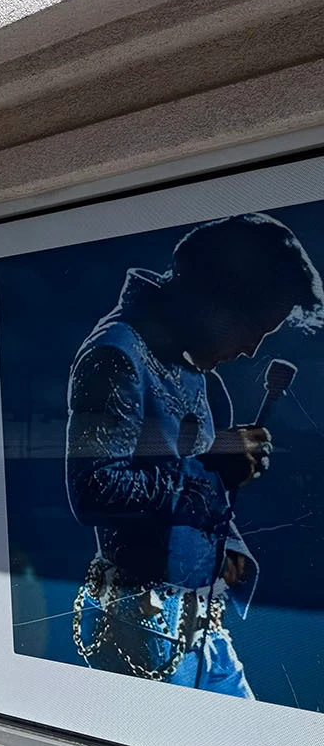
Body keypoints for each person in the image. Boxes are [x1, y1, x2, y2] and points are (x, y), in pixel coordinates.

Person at [66, 212, 324, 696]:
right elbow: (93, 489)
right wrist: (212, 470)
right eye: (251, 327)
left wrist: (227, 545)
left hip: (199, 623)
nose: (251, 348)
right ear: (211, 297)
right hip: (141, 631)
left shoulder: (197, 374)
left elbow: (184, 487)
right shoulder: (117, 353)